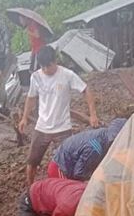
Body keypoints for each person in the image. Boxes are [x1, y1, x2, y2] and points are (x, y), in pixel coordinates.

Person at [18, 45, 99, 187]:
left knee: (68, 162)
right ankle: (30, 189)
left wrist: (93, 115)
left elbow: (86, 90)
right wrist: (24, 117)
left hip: (63, 128)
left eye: (47, 67)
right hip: (42, 127)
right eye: (42, 67)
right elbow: (31, 98)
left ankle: (69, 189)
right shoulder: (36, 77)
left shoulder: (67, 75)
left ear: (55, 62)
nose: (45, 70)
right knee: (32, 162)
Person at [48, 117, 127, 180]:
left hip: (72, 165)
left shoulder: (103, 134)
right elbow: (79, 173)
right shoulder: (95, 147)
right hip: (60, 169)